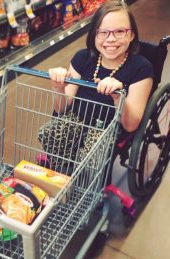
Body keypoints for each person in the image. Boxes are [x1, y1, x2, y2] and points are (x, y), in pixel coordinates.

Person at [38, 0, 154, 173]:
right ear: (94, 35)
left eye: (120, 31)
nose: (111, 39)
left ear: (131, 35)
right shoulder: (82, 58)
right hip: (75, 120)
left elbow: (130, 126)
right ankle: (61, 166)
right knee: (51, 132)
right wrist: (59, 87)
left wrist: (118, 96)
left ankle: (82, 180)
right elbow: (61, 109)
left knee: (88, 161)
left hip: (106, 130)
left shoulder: (141, 68)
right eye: (103, 32)